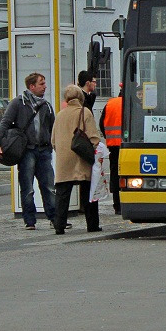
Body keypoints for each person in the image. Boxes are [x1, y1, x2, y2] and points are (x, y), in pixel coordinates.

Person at [0, 72, 58, 230]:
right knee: (27, 188)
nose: (45, 86)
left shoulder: (46, 105)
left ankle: (55, 218)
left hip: (43, 150)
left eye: (44, 83)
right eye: (41, 84)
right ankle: (30, 220)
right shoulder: (18, 103)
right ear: (32, 86)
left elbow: (53, 128)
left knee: (48, 186)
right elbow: (5, 123)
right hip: (26, 151)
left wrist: (53, 145)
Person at [52, 84, 103, 234]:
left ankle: (59, 225)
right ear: (80, 97)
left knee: (62, 193)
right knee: (88, 191)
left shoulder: (60, 115)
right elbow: (93, 137)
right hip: (81, 158)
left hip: (64, 159)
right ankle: (92, 225)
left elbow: (53, 140)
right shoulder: (84, 112)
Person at [99, 86, 123, 214]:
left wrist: (108, 136)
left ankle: (117, 204)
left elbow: (101, 123)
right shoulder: (131, 104)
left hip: (113, 145)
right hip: (128, 145)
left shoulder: (110, 104)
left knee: (115, 174)